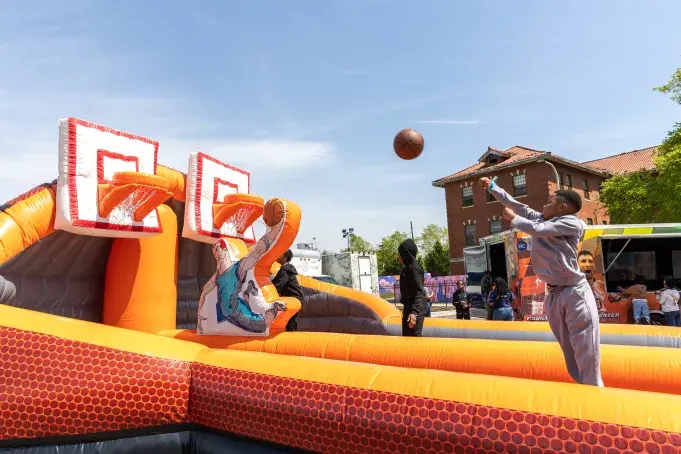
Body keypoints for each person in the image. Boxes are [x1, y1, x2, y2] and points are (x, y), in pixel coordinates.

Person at [481, 176, 603, 387]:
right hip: (554, 294)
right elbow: (518, 206)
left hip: (575, 293)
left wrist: (515, 220)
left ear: (562, 207)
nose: (544, 204)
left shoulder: (572, 222)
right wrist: (493, 188)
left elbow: (536, 229)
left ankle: (595, 395)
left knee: (586, 350)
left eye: (549, 201)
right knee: (568, 349)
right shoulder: (543, 218)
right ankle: (583, 388)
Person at [198, 227, 288, 335]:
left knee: (263, 324)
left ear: (226, 249)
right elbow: (205, 291)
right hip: (226, 314)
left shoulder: (238, 267)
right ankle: (248, 292)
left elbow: (257, 251)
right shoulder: (218, 275)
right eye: (214, 252)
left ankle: (274, 307)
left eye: (218, 249)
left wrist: (275, 231)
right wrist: (200, 320)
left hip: (237, 311)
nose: (216, 254)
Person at [398, 238, 427, 337]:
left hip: (416, 306)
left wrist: (414, 312)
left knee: (414, 338)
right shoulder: (407, 268)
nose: (398, 256)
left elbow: (419, 291)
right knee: (406, 336)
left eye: (400, 253)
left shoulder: (414, 268)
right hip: (409, 305)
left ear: (406, 254)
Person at [272, 249, 305, 331]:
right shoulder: (285, 269)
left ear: (285, 257)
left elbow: (278, 285)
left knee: (289, 321)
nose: (277, 255)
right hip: (296, 299)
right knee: (290, 322)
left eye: (280, 254)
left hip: (294, 299)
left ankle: (292, 340)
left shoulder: (285, 270)